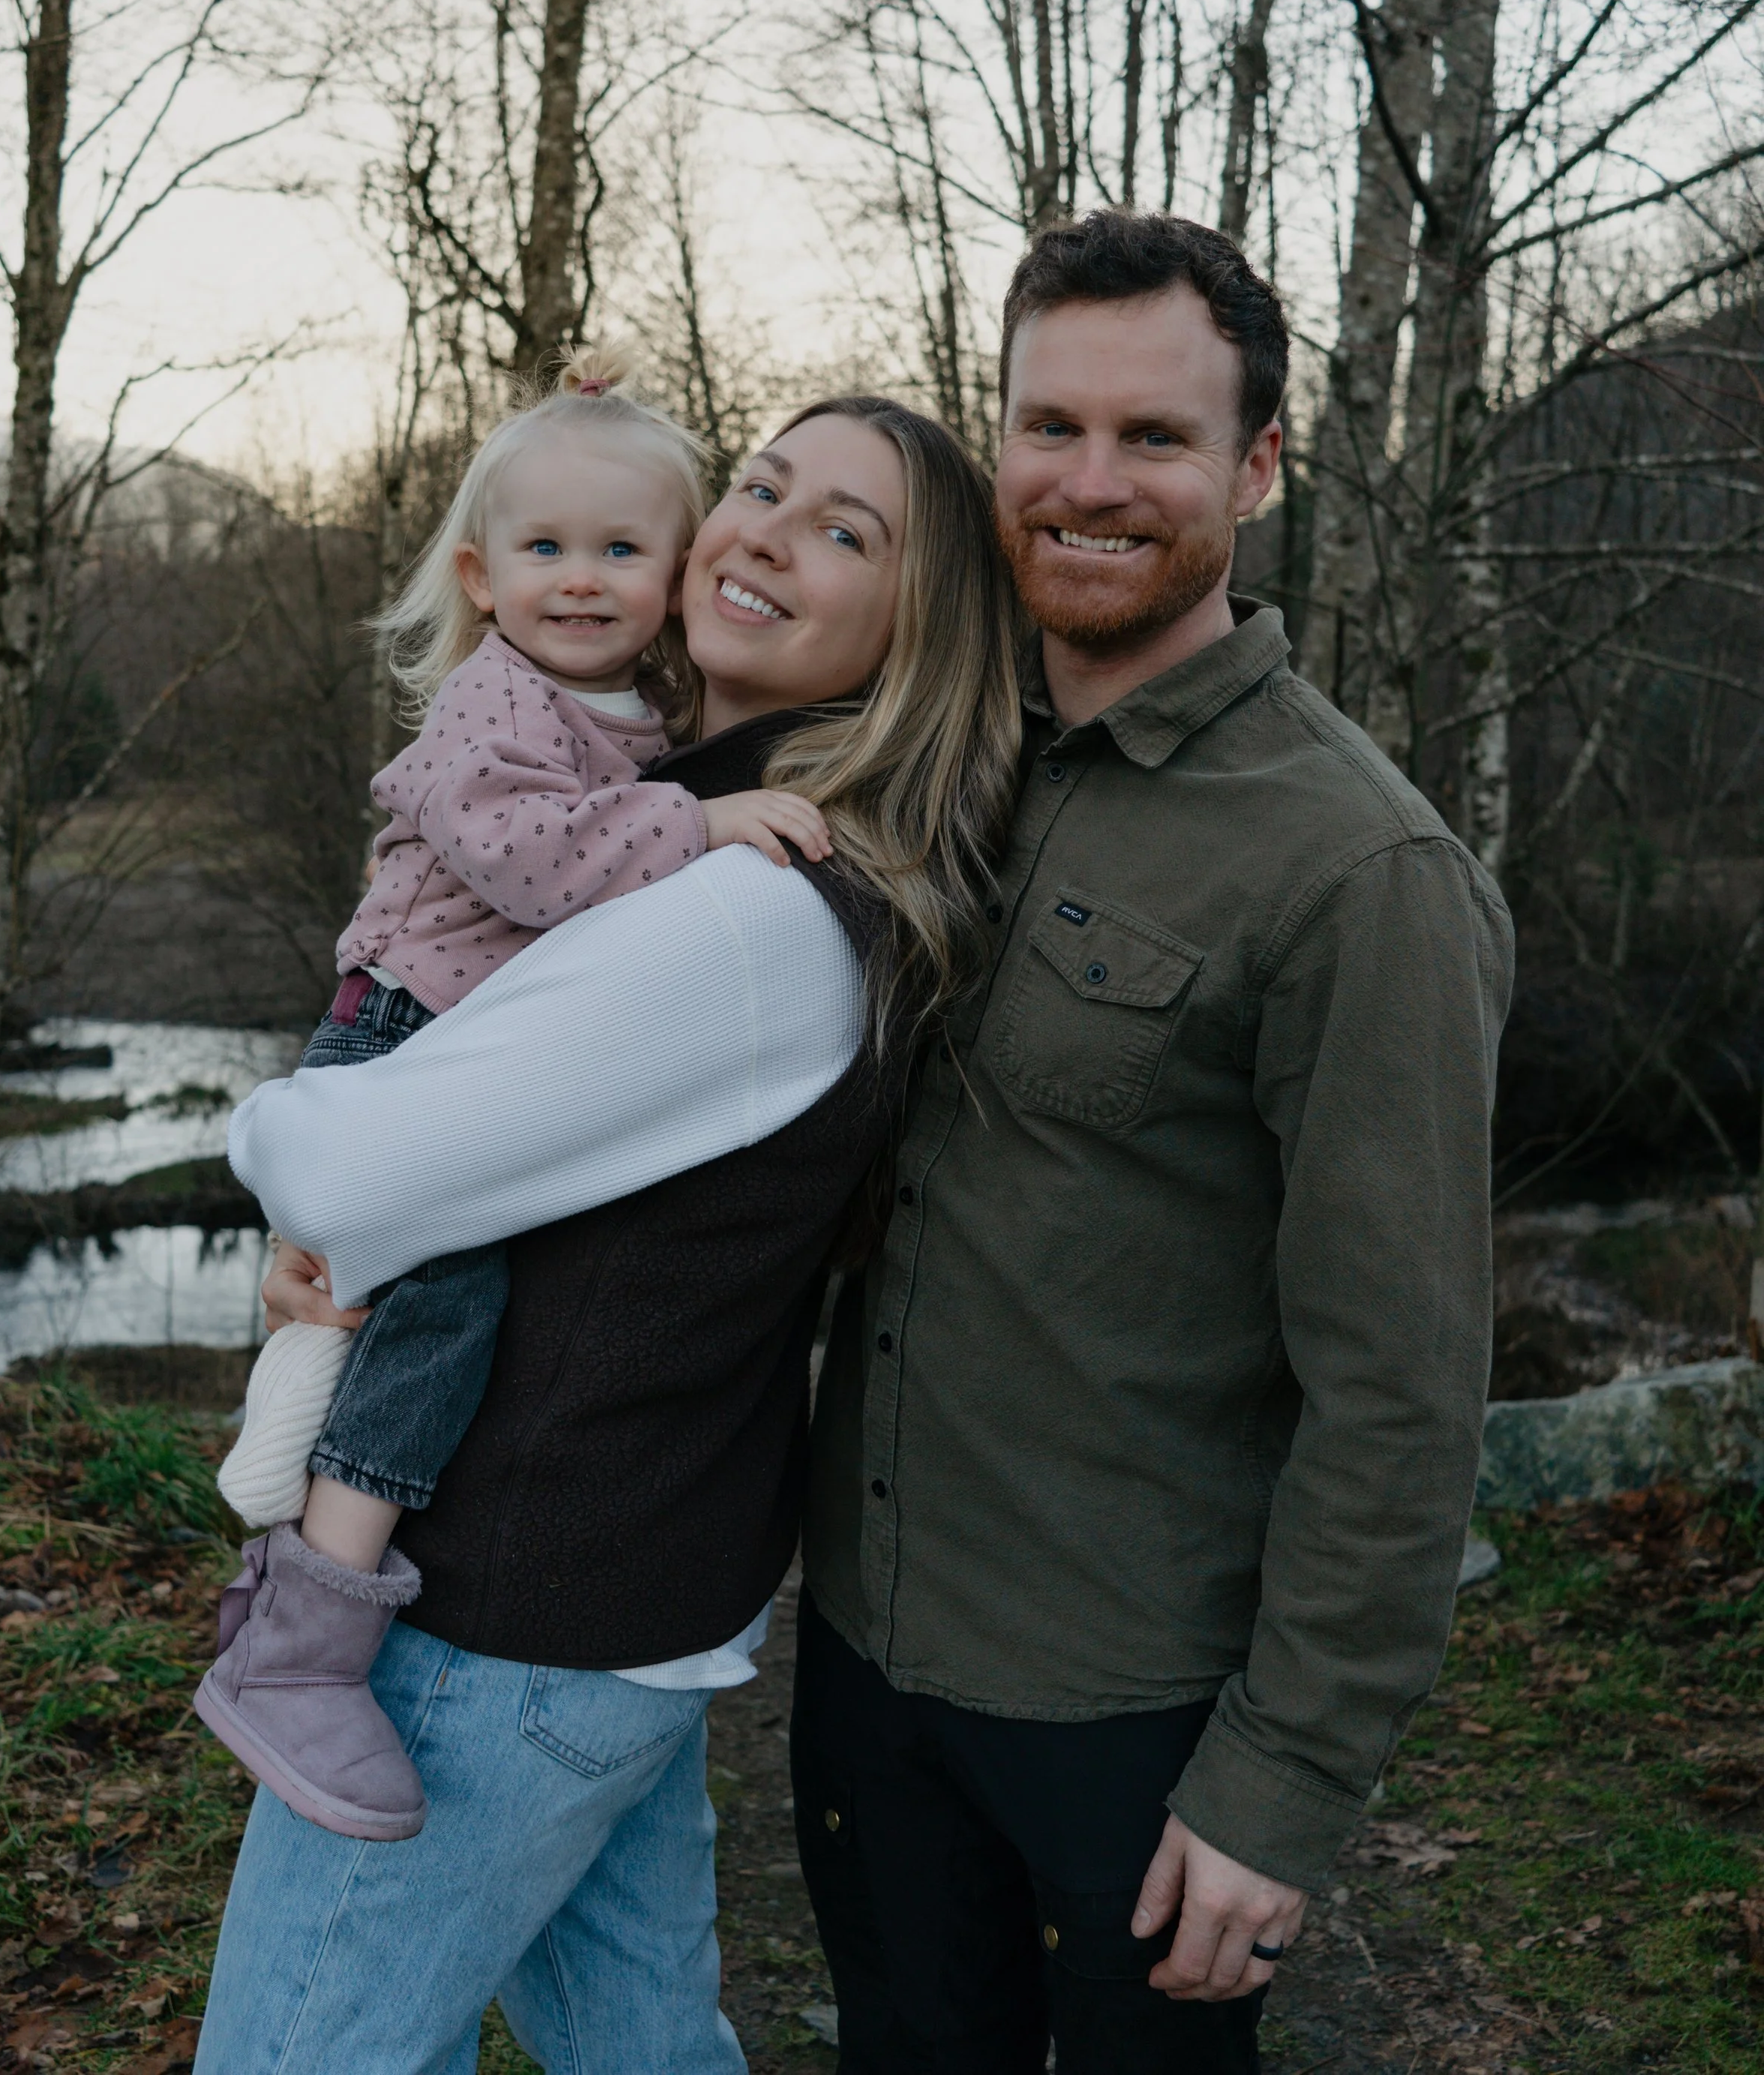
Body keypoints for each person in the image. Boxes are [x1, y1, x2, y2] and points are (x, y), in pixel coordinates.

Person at [195, 394, 1023, 2075]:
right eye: (765, 485)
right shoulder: (702, 824)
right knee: (646, 2049)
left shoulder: (743, 899)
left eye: (845, 531)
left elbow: (352, 1173)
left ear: (911, 638)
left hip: (503, 1620)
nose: (768, 529)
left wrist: (272, 1151)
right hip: (625, 1615)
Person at [795, 210, 1514, 2074]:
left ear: (1256, 466)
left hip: (1123, 1716)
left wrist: (1279, 1783)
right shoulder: (928, 742)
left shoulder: (1359, 872)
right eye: (1049, 427)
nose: (1088, 484)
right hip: (864, 1660)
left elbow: (1399, 1391)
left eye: (1154, 438)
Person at [204, 349, 834, 1843]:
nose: (580, 578)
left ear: (675, 569)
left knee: (379, 1293)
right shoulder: (496, 709)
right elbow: (538, 865)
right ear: (480, 577)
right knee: (448, 1297)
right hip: (400, 1031)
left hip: (454, 1042)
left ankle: (289, 1435)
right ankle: (305, 1628)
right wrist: (701, 819)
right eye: (543, 548)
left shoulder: (630, 702)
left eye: (621, 548)